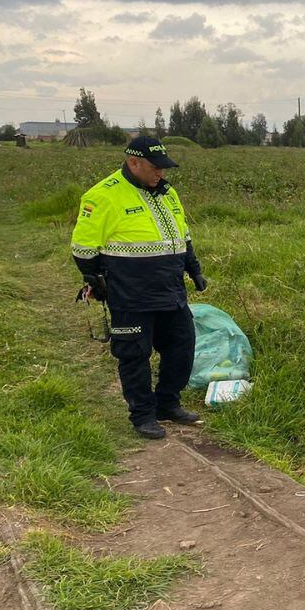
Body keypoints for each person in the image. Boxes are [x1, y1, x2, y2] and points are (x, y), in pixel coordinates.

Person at [70, 136, 208, 439]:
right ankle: (143, 415)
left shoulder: (167, 192)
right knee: (135, 355)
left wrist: (194, 270)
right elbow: (83, 248)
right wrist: (96, 281)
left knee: (182, 348)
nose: (161, 173)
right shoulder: (102, 196)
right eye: (155, 168)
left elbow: (182, 237)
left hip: (170, 291)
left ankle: (167, 404)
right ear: (134, 163)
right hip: (130, 293)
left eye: (164, 168)